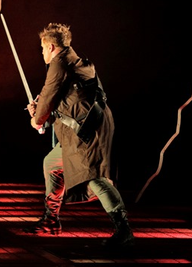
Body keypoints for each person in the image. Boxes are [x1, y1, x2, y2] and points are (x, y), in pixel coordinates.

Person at [22, 23, 134, 247]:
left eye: (43, 48)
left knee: (94, 177)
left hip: (86, 132)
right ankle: (51, 221)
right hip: (80, 130)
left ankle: (123, 230)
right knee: (51, 164)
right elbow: (66, 100)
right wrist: (44, 111)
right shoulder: (76, 61)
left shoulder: (59, 63)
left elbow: (49, 95)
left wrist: (37, 118)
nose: (42, 53)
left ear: (51, 47)